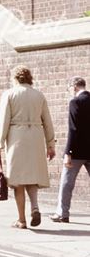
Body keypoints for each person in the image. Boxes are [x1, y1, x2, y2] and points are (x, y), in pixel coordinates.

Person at [0, 65, 56, 229]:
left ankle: (21, 220)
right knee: (32, 176)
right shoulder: (39, 95)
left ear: (15, 78)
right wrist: (50, 144)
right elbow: (48, 122)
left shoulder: (9, 94)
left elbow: (3, 121)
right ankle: (35, 207)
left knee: (18, 180)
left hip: (17, 137)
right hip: (36, 137)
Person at [51, 76, 90, 223]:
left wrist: (68, 152)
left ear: (74, 87)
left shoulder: (75, 102)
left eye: (69, 89)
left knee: (67, 183)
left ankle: (62, 213)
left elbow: (73, 128)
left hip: (77, 151)